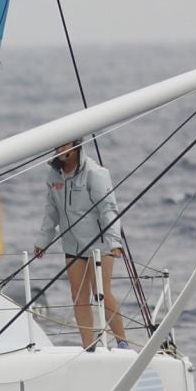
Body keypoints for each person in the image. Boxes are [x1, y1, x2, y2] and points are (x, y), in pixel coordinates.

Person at [35, 141, 131, 348]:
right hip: (73, 246)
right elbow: (51, 211)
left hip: (100, 244)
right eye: (57, 146)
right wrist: (43, 241)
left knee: (101, 293)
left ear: (77, 146)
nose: (60, 150)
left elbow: (108, 209)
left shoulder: (95, 173)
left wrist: (114, 241)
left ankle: (123, 342)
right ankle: (89, 345)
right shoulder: (54, 175)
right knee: (78, 296)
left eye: (65, 146)